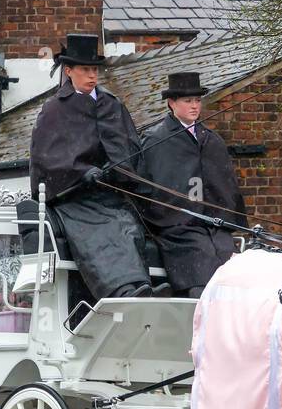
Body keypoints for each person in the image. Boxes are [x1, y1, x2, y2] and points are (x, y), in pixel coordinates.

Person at [29, 33, 156, 300]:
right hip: (73, 197)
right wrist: (81, 173)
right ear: (69, 71)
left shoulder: (112, 104)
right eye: (85, 70)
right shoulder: (54, 110)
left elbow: (130, 147)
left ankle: (138, 286)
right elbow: (46, 159)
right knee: (100, 233)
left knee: (128, 225)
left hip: (110, 192)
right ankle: (120, 290)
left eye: (95, 69)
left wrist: (119, 170)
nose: (92, 75)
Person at [137, 71, 247, 297]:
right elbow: (148, 190)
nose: (195, 106)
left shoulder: (212, 140)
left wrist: (221, 217)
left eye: (197, 100)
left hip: (214, 226)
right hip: (178, 229)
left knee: (234, 270)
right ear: (171, 103)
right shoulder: (156, 140)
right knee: (200, 269)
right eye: (188, 101)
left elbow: (226, 187)